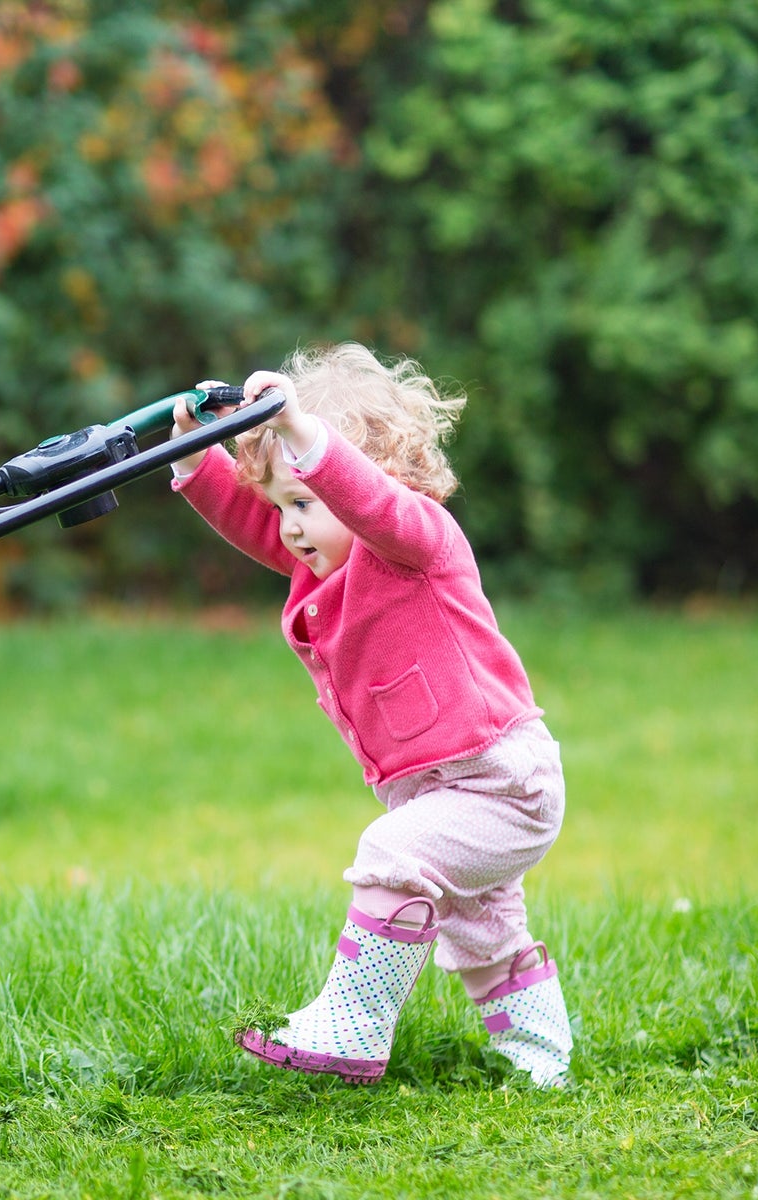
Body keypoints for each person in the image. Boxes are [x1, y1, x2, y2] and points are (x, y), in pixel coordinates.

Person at [168, 343, 571, 1088]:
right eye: (284, 504)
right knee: (484, 936)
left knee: (391, 853)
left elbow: (368, 504)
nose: (290, 527)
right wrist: (196, 457)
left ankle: (352, 1026)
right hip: (448, 790)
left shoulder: (419, 543)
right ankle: (541, 1066)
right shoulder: (326, 556)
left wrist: (303, 430)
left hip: (501, 782)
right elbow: (261, 524)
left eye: (306, 503)